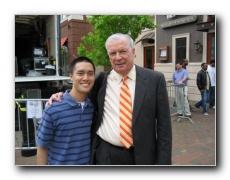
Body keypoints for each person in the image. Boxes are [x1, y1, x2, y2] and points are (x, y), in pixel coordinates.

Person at [47, 33, 172, 165]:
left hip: (143, 157)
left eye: (123, 51)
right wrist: (61, 95)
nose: (118, 57)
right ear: (109, 56)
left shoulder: (155, 80)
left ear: (133, 51)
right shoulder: (100, 80)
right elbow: (79, 91)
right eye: (113, 53)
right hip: (106, 156)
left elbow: (164, 130)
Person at [36, 56, 95, 165]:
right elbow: (42, 147)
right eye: (80, 73)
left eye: (90, 74)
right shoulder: (53, 109)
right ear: (71, 77)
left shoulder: (92, 107)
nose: (86, 78)